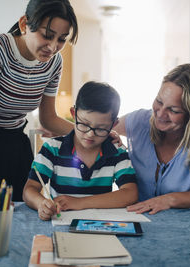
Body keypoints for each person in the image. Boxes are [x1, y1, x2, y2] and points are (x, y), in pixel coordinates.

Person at [0, 0, 78, 204]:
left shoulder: (54, 62)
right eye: (47, 35)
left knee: (20, 216)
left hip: (15, 143)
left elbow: (48, 119)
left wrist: (89, 133)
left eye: (61, 39)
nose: (53, 47)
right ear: (24, 24)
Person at [113, 63, 190, 215]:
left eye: (173, 110)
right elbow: (90, 129)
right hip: (137, 220)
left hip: (189, 227)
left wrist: (170, 200)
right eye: (159, 101)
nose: (160, 114)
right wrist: (107, 133)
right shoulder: (140, 121)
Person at [23, 81, 138, 220]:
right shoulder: (52, 149)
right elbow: (29, 190)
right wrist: (41, 204)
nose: (90, 134)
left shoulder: (117, 152)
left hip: (100, 226)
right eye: (84, 124)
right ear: (74, 113)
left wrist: (79, 203)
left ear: (113, 124)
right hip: (61, 222)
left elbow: (131, 193)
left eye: (101, 128)